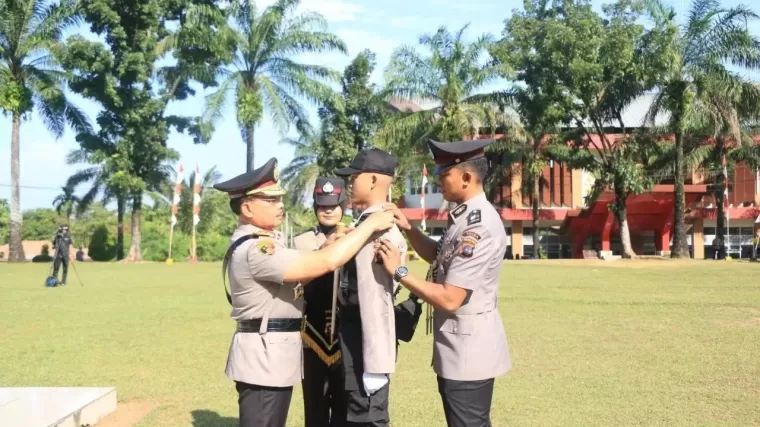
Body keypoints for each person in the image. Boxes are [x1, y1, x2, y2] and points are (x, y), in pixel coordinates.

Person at [213, 157, 396, 427]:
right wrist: (369, 225)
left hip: (271, 357)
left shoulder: (261, 243)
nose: (280, 206)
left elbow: (309, 265)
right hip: (264, 360)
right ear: (248, 207)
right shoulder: (258, 249)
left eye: (279, 199)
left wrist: (327, 246)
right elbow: (326, 263)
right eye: (271, 201)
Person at [374, 138, 512, 427]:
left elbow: (451, 297)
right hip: (458, 347)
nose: (438, 181)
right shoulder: (463, 218)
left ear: (466, 177)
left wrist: (399, 272)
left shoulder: (478, 226)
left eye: (443, 174)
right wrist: (409, 229)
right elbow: (439, 257)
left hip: (468, 354)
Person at [334, 149, 408, 427]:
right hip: (356, 333)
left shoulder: (380, 230)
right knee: (357, 413)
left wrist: (376, 362)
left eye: (355, 177)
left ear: (375, 180)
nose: (350, 183)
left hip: (367, 337)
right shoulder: (365, 225)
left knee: (367, 416)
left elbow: (378, 298)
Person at [294, 177, 350, 427]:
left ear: (343, 206)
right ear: (315, 206)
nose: (328, 210)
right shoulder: (300, 242)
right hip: (312, 335)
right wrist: (323, 251)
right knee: (314, 406)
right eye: (323, 205)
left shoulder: (355, 236)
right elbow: (295, 287)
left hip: (347, 335)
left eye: (334, 204)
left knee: (344, 406)